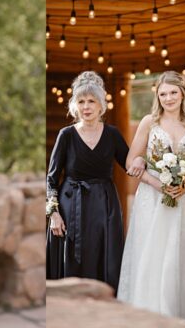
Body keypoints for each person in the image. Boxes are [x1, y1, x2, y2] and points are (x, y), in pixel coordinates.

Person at [117, 71, 185, 326]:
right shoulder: (149, 122)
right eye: (163, 94)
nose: (168, 98)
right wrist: (158, 183)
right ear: (158, 96)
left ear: (182, 94)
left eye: (173, 92)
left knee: (179, 257)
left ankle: (179, 317)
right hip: (152, 200)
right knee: (151, 256)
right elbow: (130, 162)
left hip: (184, 201)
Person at [46, 71, 128, 293]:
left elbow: (132, 166)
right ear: (75, 106)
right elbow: (51, 179)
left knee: (104, 259)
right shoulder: (66, 135)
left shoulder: (112, 134)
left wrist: (161, 167)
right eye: (81, 101)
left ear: (101, 105)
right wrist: (53, 214)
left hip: (105, 207)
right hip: (70, 207)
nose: (86, 106)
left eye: (91, 101)